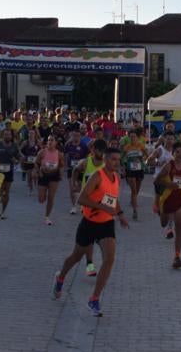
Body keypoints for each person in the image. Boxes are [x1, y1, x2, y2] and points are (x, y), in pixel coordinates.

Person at [52, 147, 129, 317]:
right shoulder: (97, 176)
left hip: (106, 224)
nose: (116, 162)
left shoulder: (116, 177)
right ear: (106, 159)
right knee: (76, 257)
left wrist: (121, 215)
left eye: (118, 159)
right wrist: (101, 206)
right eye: (113, 159)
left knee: (109, 258)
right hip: (89, 223)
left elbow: (113, 199)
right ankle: (60, 277)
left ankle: (94, 299)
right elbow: (82, 199)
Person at [155, 141, 181, 269]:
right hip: (167, 199)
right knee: (163, 222)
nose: (179, 154)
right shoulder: (168, 166)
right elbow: (156, 180)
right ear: (173, 153)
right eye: (177, 152)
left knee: (180, 226)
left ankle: (177, 256)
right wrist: (169, 185)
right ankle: (163, 215)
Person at [71, 139, 107, 277]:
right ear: (93, 150)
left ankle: (100, 262)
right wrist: (75, 184)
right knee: (91, 237)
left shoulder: (106, 165)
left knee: (102, 236)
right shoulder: (86, 162)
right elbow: (75, 170)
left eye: (102, 151)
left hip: (103, 205)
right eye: (97, 150)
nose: (99, 153)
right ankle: (90, 263)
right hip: (88, 205)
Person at [0, 128, 20, 219]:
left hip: (8, 172)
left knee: (6, 192)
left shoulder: (14, 146)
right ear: (3, 136)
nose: (7, 136)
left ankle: (3, 211)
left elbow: (18, 158)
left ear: (11, 136)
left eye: (9, 135)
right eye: (5, 134)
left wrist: (16, 160)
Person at [36, 135, 63, 226]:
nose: (50, 142)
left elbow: (62, 165)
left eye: (52, 140)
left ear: (56, 142)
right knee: (41, 199)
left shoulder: (59, 154)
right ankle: (43, 194)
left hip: (54, 176)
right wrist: (39, 171)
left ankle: (47, 217)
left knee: (51, 197)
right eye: (48, 140)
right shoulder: (42, 152)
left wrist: (60, 173)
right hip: (43, 175)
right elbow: (36, 162)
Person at [121, 129, 147, 220]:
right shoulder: (127, 147)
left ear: (137, 137)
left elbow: (147, 155)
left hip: (140, 169)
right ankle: (135, 210)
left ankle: (133, 200)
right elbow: (121, 158)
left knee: (137, 190)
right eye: (131, 137)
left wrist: (144, 159)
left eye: (134, 136)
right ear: (129, 138)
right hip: (130, 170)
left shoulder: (141, 146)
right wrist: (123, 168)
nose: (133, 138)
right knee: (134, 190)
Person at [19, 129, 40, 196]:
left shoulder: (37, 142)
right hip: (27, 162)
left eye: (32, 133)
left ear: (35, 134)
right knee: (29, 176)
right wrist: (23, 155)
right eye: (30, 133)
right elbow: (19, 150)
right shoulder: (25, 142)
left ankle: (36, 185)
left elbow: (42, 150)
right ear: (28, 134)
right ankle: (31, 189)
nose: (31, 135)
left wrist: (38, 157)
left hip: (35, 162)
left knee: (34, 175)